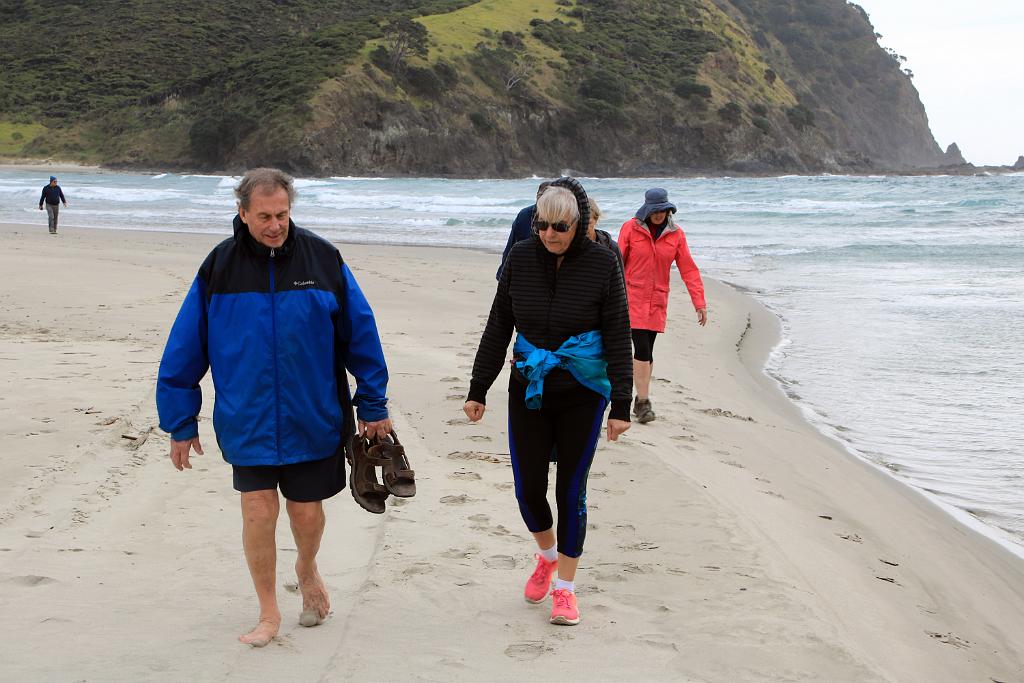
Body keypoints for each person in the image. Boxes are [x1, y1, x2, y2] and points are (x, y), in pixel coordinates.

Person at [156, 168, 392, 648]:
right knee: (258, 510)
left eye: (282, 214)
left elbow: (361, 334)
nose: (275, 225)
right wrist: (180, 421)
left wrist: (372, 403)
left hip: (313, 415)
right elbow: (185, 346)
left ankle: (306, 567)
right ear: (242, 213)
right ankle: (268, 612)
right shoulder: (219, 268)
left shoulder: (323, 259)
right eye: (264, 216)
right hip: (248, 418)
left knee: (305, 513)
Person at [465, 178, 632, 627]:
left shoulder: (602, 262)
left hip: (583, 391)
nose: (550, 234)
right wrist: (479, 387)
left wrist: (622, 404)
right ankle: (548, 556)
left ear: (578, 224)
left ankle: (566, 590)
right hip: (529, 386)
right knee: (527, 488)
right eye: (542, 225)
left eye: (560, 226)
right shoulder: (520, 258)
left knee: (570, 490)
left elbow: (618, 332)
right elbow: (499, 324)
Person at [618, 188, 708, 424]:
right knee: (641, 350)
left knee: (648, 352)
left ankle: (639, 398)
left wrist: (699, 302)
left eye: (663, 210)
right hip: (632, 298)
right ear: (647, 210)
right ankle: (643, 402)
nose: (659, 214)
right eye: (655, 210)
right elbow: (617, 263)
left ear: (669, 210)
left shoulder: (676, 234)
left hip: (657, 301)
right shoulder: (631, 228)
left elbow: (688, 269)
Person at [496, 180, 552, 280]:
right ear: (536, 196)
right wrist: (502, 276)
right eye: (541, 195)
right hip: (524, 269)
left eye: (548, 196)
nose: (543, 199)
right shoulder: (525, 215)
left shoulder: (560, 218)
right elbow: (511, 246)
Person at [585, 196, 623, 267]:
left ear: (596, 220)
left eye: (588, 223)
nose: (584, 228)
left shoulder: (612, 247)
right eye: (579, 223)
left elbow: (620, 273)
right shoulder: (569, 247)